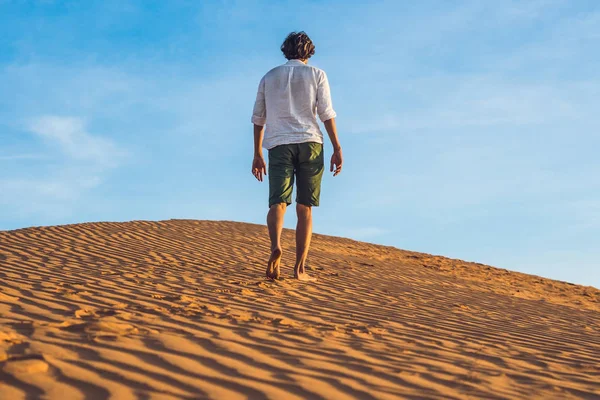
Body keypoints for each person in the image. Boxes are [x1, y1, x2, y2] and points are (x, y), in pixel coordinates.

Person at [251, 31, 343, 282]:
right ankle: (299, 269)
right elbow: (326, 114)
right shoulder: (317, 75)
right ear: (309, 52)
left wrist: (257, 153)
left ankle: (275, 248)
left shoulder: (269, 77)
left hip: (279, 144)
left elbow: (259, 118)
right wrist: (337, 147)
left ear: (285, 50)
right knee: (305, 208)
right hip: (310, 142)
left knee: (277, 202)